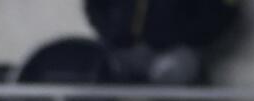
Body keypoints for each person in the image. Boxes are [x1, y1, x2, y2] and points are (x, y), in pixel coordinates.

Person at [83, 0, 241, 86]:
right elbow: (94, 7)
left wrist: (179, 39)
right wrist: (115, 34)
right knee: (96, 66)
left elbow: (221, 14)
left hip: (175, 50)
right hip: (121, 47)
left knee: (173, 70)